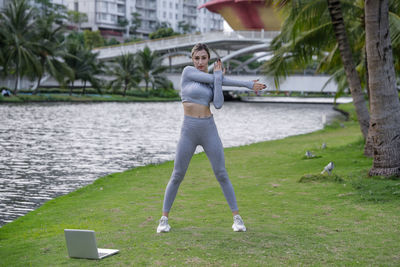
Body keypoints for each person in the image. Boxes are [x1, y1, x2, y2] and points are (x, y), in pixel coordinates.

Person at [157, 43, 266, 233]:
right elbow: (215, 77)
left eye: (203, 58)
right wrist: (248, 84)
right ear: (193, 59)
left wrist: (217, 79)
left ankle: (237, 219)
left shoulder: (213, 79)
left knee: (221, 173)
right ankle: (163, 220)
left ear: (208, 59)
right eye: (197, 58)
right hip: (189, 129)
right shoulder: (188, 72)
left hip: (208, 128)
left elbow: (218, 104)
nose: (200, 62)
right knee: (177, 174)